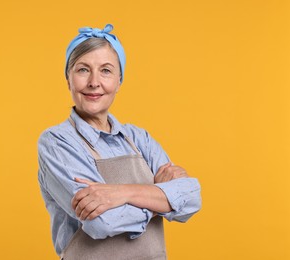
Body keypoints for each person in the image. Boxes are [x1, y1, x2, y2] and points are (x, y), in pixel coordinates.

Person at [38, 24, 201, 260]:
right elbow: (101, 223)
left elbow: (191, 198)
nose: (94, 82)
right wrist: (163, 199)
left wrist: (121, 194)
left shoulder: (139, 138)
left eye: (106, 70)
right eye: (83, 70)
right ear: (68, 79)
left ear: (119, 81)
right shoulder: (57, 143)